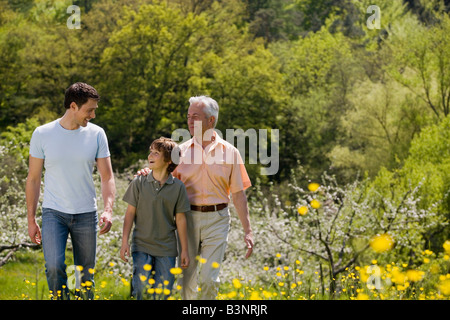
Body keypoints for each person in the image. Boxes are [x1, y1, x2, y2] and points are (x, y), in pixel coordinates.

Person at [139, 95, 254, 300]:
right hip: (186, 219)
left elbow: (238, 194)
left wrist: (248, 231)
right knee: (186, 281)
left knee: (209, 279)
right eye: (188, 116)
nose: (190, 121)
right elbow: (161, 179)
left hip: (217, 220)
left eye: (196, 117)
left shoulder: (230, 152)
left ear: (211, 120)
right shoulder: (179, 152)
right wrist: (145, 173)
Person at [26, 82, 116, 300]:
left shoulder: (97, 134)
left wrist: (108, 209)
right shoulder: (42, 134)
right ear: (73, 106)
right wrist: (31, 218)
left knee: (84, 274)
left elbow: (107, 177)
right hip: (53, 213)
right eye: (90, 110)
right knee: (55, 266)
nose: (93, 115)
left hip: (86, 213)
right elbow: (34, 178)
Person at [120, 137, 191, 300]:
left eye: (156, 153)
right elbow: (130, 213)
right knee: (140, 289)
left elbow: (181, 220)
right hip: (141, 245)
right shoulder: (139, 182)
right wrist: (125, 241)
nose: (150, 156)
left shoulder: (178, 188)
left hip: (167, 249)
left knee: (163, 293)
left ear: (168, 160)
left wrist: (184, 250)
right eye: (150, 152)